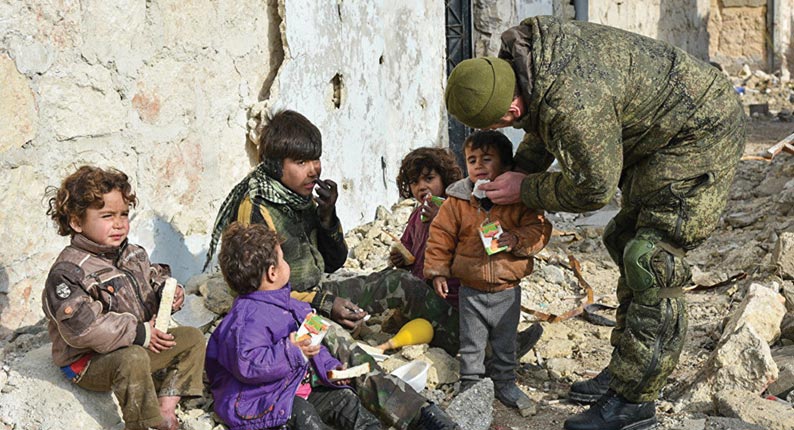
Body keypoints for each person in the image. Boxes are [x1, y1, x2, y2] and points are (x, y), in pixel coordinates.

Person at [444, 15, 746, 430]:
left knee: (652, 259)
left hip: (700, 132)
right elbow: (543, 125)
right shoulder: (528, 65)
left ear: (510, 108)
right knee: (622, 236)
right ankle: (627, 368)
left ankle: (634, 402)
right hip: (661, 133)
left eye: (502, 126)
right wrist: (509, 177)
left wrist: (525, 188)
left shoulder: (572, 99)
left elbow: (592, 189)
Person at [206, 110, 459, 430]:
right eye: (301, 162)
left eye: (315, 159)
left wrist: (327, 217)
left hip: (309, 299)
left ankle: (469, 351)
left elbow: (335, 261)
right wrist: (325, 305)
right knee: (341, 347)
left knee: (398, 283)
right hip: (289, 310)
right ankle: (409, 411)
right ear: (275, 166)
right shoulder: (256, 209)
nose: (314, 169)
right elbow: (255, 291)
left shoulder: (299, 197)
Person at [42, 166, 205, 430]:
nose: (119, 224)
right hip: (89, 361)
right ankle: (142, 424)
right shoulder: (69, 273)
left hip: (137, 343)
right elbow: (83, 330)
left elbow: (153, 277)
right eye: (107, 215)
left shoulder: (132, 253)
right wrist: (140, 333)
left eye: (124, 214)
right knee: (132, 359)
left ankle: (166, 408)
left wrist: (168, 294)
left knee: (193, 339)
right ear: (76, 221)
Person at [424, 130, 552, 416]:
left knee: (505, 343)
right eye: (472, 159)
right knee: (471, 343)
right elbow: (440, 237)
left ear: (506, 167)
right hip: (471, 289)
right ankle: (470, 384)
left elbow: (540, 229)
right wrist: (438, 272)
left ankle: (505, 383)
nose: (478, 165)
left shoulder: (519, 200)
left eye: (487, 159)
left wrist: (516, 238)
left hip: (507, 290)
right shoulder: (457, 201)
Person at [205, 222, 381, 430]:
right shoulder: (245, 320)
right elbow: (248, 364)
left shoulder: (294, 306)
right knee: (306, 419)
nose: (286, 263)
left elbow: (313, 346)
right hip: (267, 401)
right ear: (272, 272)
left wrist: (330, 368)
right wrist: (289, 352)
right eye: (283, 259)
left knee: (346, 401)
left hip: (299, 387)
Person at [392, 147, 544, 354]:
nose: (422, 186)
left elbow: (478, 245)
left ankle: (502, 346)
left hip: (458, 297)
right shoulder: (416, 216)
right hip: (426, 294)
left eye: (429, 178)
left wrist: (444, 219)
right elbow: (409, 249)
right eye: (414, 182)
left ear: (445, 178)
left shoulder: (459, 209)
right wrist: (401, 258)